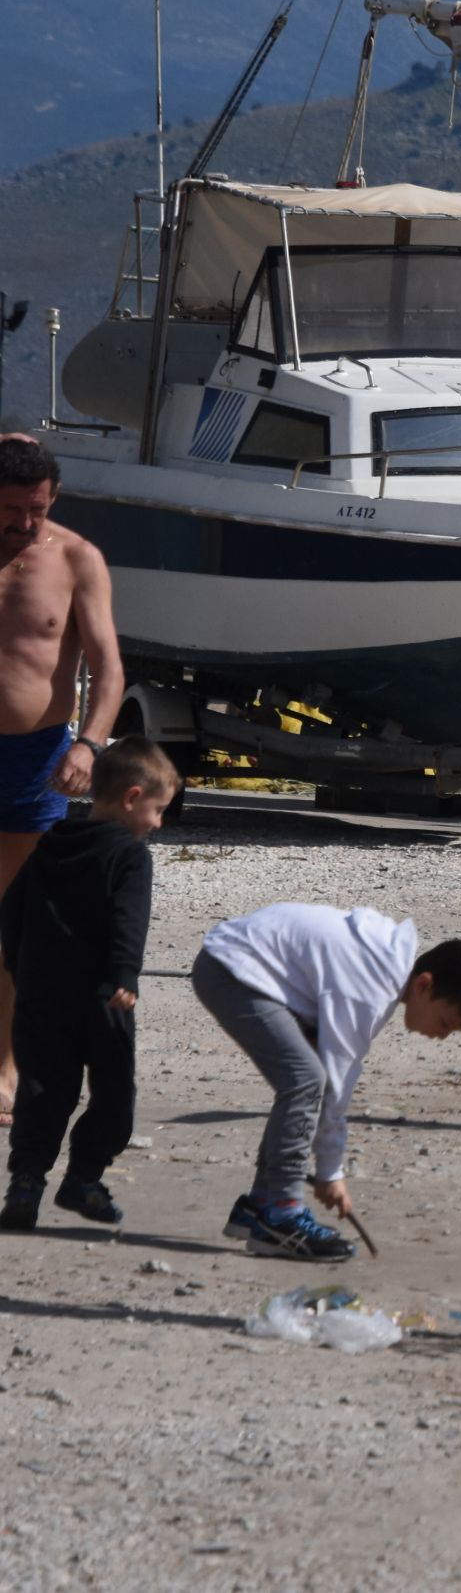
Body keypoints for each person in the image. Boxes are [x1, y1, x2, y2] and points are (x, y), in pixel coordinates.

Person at [192, 903, 461, 1260]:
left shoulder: (385, 961)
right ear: (424, 984)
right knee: (306, 1080)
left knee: (308, 1077)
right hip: (232, 969)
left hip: (244, 965)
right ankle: (282, 1214)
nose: (441, 1036)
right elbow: (336, 1086)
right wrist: (330, 1172)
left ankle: (261, 1205)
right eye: (446, 1023)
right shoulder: (369, 987)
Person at [0, 739, 177, 1230]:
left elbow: (12, 909)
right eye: (157, 810)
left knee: (42, 1091)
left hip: (39, 996)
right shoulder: (131, 856)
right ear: (131, 797)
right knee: (114, 1095)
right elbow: (129, 919)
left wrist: (17, 964)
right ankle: (82, 1178)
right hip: (103, 997)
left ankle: (26, 1182)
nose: (158, 823)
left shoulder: (49, 845)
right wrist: (125, 975)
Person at [0, 434, 125, 1130]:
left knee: (15, 924)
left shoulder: (76, 557)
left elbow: (107, 666)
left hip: (36, 755)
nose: (23, 522)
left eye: (36, 508)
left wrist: (90, 741)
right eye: (11, 507)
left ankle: (6, 1064)